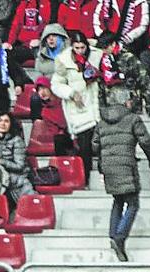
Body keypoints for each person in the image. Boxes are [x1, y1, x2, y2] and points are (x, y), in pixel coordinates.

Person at [92, 88, 150, 261]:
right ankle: (119, 237)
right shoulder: (132, 119)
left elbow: (95, 146)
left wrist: (101, 166)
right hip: (126, 165)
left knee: (118, 200)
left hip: (108, 167)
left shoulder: (102, 122)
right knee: (133, 203)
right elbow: (146, 142)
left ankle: (113, 235)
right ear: (125, 102)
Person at [50, 29, 103, 186]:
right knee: (84, 147)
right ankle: (84, 180)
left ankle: (104, 178)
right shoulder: (63, 60)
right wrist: (71, 93)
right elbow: (56, 84)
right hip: (79, 108)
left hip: (98, 104)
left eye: (82, 47)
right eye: (76, 48)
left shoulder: (97, 56)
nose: (80, 51)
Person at [0, 112, 35, 205]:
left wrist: (0, 161)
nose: (3, 124)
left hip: (17, 179)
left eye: (6, 121)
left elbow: (19, 166)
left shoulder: (17, 140)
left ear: (11, 124)